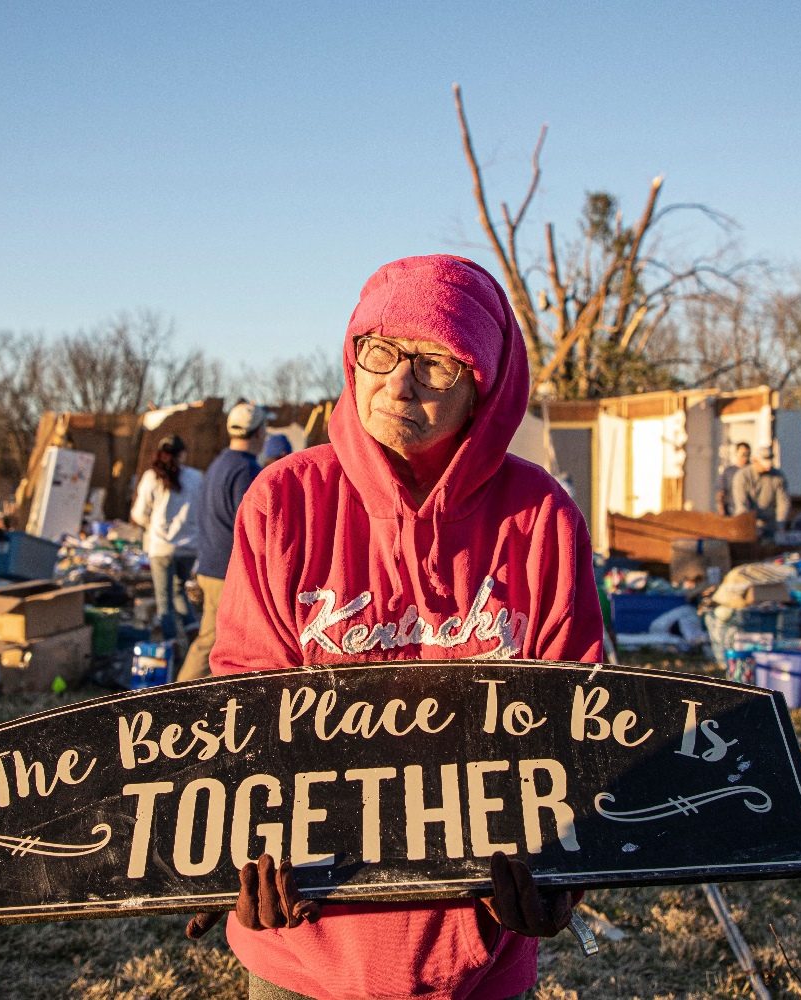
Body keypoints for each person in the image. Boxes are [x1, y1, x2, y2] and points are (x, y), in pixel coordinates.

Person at [184, 254, 605, 1000]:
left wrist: (564, 875)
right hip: (304, 947)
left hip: (479, 953)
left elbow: (576, 724)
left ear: (486, 383)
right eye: (378, 350)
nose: (397, 381)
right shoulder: (284, 502)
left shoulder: (540, 517)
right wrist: (234, 858)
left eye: (436, 360)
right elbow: (246, 704)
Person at [177, 400, 267, 682]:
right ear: (257, 433)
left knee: (215, 640)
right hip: (227, 571)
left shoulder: (218, 464)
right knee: (212, 642)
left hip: (210, 566)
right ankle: (181, 699)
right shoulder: (246, 470)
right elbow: (254, 526)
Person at [130, 435, 202, 657]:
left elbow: (139, 514)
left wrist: (151, 525)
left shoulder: (152, 477)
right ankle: (193, 642)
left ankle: (171, 651)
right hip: (189, 547)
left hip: (161, 548)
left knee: (164, 601)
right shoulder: (197, 477)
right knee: (179, 591)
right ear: (183, 453)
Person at [731, 445, 792, 537]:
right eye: (764, 460)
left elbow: (783, 503)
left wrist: (780, 526)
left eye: (770, 458)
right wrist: (751, 527)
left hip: (771, 525)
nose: (768, 465)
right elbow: (741, 505)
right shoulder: (742, 476)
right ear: (755, 460)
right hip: (747, 524)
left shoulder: (778, 476)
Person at [715, 441, 751, 515]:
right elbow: (720, 492)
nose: (745, 457)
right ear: (736, 453)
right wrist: (720, 508)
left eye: (747, 454)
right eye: (743, 454)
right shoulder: (728, 472)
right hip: (731, 511)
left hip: (750, 512)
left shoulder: (752, 472)